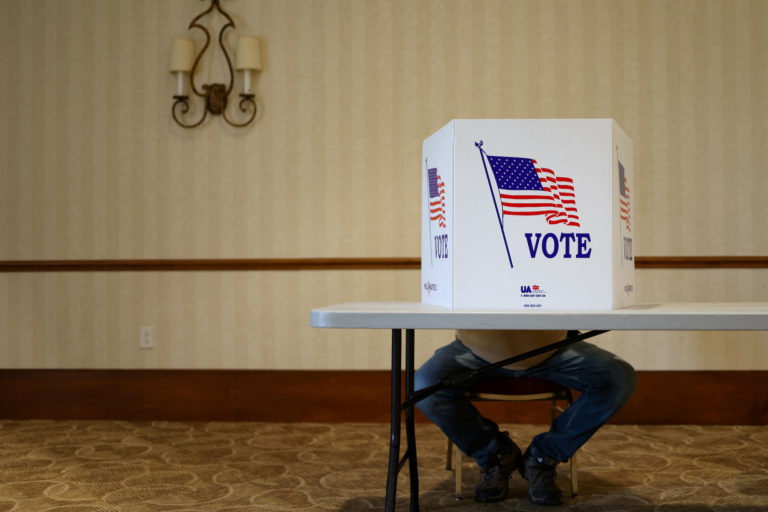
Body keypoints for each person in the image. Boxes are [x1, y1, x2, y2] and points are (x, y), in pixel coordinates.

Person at [414, 329, 637, 506]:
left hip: (553, 350)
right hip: (475, 351)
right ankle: (496, 454)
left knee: (619, 378)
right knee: (425, 386)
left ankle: (542, 457)